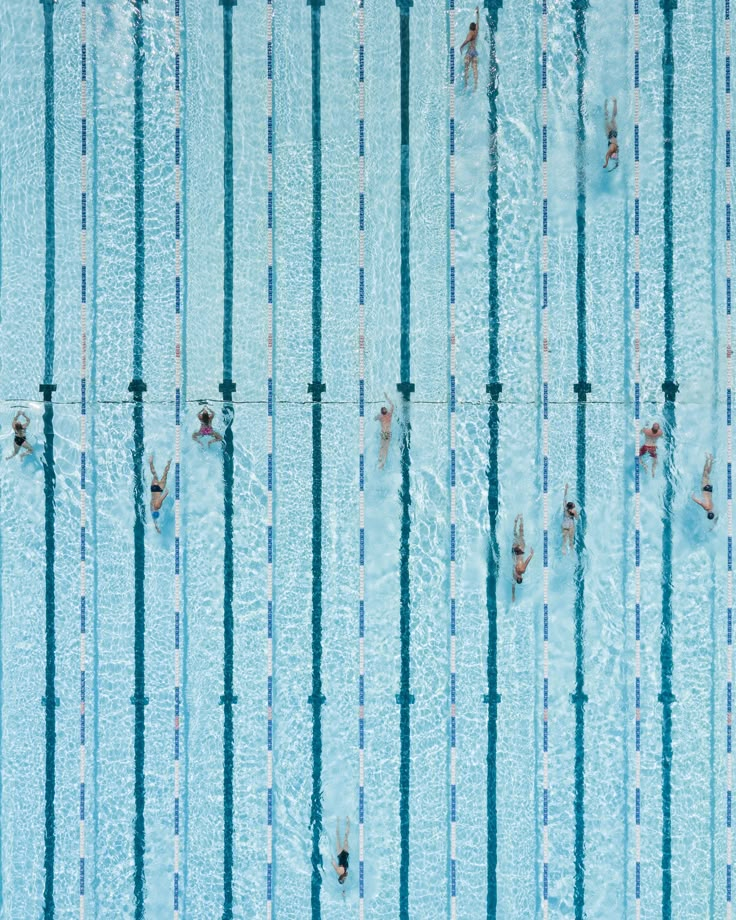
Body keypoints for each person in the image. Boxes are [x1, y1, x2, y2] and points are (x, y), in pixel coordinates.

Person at [512, 514, 534, 601]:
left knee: (521, 534)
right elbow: (513, 585)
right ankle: (516, 523)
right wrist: (513, 595)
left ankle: (520, 520)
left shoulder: (521, 571)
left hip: (520, 551)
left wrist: (531, 555)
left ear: (520, 578)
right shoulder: (514, 575)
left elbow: (526, 562)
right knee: (515, 536)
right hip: (514, 552)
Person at [460, 7, 480, 92]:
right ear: (475, 27)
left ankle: (466, 85)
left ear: (470, 28)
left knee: (466, 68)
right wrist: (477, 13)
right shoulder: (476, 31)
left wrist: (461, 46)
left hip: (469, 52)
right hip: (475, 52)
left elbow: (467, 40)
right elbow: (478, 21)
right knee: (475, 69)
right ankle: (475, 86)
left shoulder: (470, 33)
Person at [149, 455, 171, 533]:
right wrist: (156, 527)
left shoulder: (157, 505)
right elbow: (154, 520)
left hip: (159, 489)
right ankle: (151, 463)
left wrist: (166, 493)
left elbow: (161, 498)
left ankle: (169, 462)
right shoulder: (151, 508)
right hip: (155, 489)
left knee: (165, 474)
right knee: (155, 475)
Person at [692, 453, 716, 521]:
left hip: (710, 489)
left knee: (708, 474)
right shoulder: (707, 508)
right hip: (705, 489)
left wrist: (714, 524)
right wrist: (693, 498)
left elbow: (716, 517)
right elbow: (700, 503)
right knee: (705, 472)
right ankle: (707, 459)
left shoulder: (712, 508)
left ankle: (711, 460)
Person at [375, 392, 395, 470]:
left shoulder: (385, 416)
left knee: (384, 447)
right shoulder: (386, 416)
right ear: (384, 411)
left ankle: (382, 461)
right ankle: (381, 460)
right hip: (385, 433)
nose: (385, 409)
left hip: (386, 433)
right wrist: (387, 398)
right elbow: (392, 405)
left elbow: (375, 418)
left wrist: (387, 397)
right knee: (384, 447)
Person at [331, 817, 350, 885]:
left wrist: (331, 857)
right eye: (344, 880)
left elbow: (333, 863)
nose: (344, 879)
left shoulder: (339, 872)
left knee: (338, 836)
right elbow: (333, 863)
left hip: (340, 854)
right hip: (345, 853)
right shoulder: (345, 874)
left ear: (340, 877)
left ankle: (338, 821)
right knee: (345, 837)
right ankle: (347, 822)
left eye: (343, 879)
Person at [561, 484, 579, 555]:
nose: (574, 508)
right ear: (570, 508)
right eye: (573, 507)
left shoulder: (565, 509)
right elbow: (577, 519)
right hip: (570, 526)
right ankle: (569, 554)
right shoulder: (570, 511)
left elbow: (564, 498)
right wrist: (575, 514)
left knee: (566, 542)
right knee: (569, 542)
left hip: (565, 525)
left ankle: (566, 554)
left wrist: (566, 489)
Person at [603, 98, 619, 170]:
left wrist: (616, 165)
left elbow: (617, 159)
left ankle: (615, 102)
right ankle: (605, 105)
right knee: (606, 118)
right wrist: (606, 163)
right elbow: (607, 155)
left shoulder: (617, 150)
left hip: (615, 133)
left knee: (613, 117)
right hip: (610, 134)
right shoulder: (612, 149)